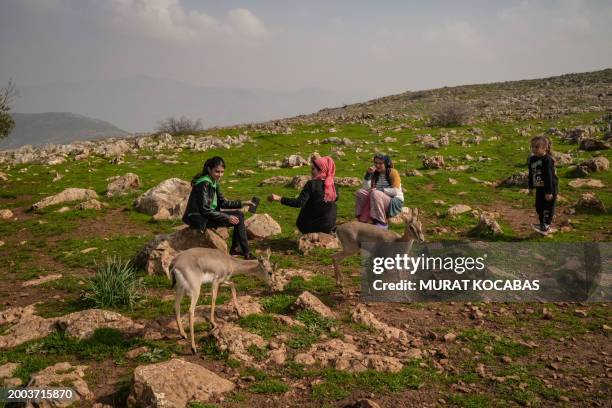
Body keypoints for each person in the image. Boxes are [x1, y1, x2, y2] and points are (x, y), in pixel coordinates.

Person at [182, 156, 255, 259]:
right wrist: (227, 217)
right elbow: (205, 210)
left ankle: (238, 249)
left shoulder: (213, 182)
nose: (220, 175)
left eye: (222, 172)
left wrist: (243, 203)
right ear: (209, 169)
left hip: (206, 216)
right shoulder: (204, 183)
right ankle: (244, 252)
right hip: (199, 219)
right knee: (239, 217)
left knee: (239, 215)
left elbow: (223, 203)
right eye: (217, 172)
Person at [268, 156, 339, 234]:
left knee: (307, 204)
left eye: (313, 169)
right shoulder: (333, 186)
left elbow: (299, 203)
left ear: (321, 170)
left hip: (309, 227)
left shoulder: (312, 184)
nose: (311, 172)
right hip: (328, 227)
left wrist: (279, 198)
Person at [355, 153, 404, 228]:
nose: (377, 165)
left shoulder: (393, 172)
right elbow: (366, 188)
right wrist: (368, 175)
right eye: (376, 163)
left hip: (393, 200)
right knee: (360, 192)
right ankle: (361, 217)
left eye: (380, 163)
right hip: (377, 198)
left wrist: (379, 190)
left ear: (386, 163)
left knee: (375, 193)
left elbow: (396, 191)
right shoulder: (375, 173)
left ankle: (381, 221)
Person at [528, 136, 558, 233]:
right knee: (538, 206)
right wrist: (531, 187)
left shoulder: (547, 160)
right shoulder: (532, 159)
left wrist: (549, 192)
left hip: (550, 187)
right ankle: (542, 223)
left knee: (548, 207)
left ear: (545, 147)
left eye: (537, 147)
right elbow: (531, 174)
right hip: (539, 187)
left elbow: (550, 176)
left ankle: (546, 225)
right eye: (532, 147)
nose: (534, 149)